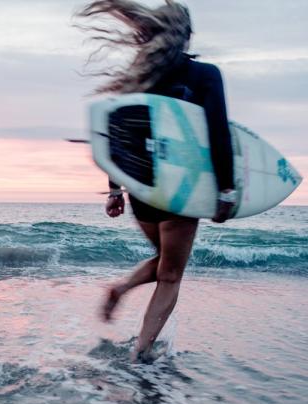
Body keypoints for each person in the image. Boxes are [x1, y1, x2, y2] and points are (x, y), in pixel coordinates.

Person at [78, 0, 237, 360]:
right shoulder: (205, 75)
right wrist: (226, 189)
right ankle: (141, 351)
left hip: (142, 188)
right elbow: (217, 134)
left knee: (164, 258)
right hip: (183, 186)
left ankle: (122, 289)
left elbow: (117, 135)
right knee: (170, 274)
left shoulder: (138, 77)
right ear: (186, 36)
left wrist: (115, 188)